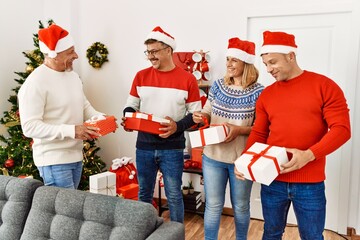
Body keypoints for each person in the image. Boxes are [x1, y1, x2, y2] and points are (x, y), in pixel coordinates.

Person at [235, 30, 351, 240]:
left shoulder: (325, 86)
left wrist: (308, 154)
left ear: (291, 56)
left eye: (273, 62)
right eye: (266, 64)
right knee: (271, 233)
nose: (269, 69)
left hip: (310, 183)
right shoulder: (267, 94)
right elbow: (260, 133)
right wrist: (245, 159)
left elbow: (342, 130)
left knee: (312, 236)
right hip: (272, 178)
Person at [122, 26, 201, 223]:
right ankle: (144, 231)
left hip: (172, 148)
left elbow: (195, 114)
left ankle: (176, 233)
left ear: (168, 50)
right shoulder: (141, 76)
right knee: (144, 194)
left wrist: (177, 126)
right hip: (144, 146)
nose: (150, 56)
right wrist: (128, 118)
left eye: (154, 51)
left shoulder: (188, 79)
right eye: (148, 52)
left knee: (174, 195)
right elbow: (130, 106)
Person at [18, 24, 110, 189]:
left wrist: (102, 118)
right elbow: (29, 127)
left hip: (75, 156)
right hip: (53, 161)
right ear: (54, 55)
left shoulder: (72, 76)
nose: (76, 55)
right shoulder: (35, 83)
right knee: (66, 212)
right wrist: (73, 131)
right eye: (70, 52)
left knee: (69, 210)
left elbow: (84, 106)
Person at [192, 37, 264, 239]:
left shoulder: (259, 92)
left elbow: (261, 128)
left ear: (246, 63)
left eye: (234, 60)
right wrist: (202, 116)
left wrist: (239, 130)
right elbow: (207, 110)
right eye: (228, 59)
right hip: (213, 157)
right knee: (213, 206)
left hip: (241, 160)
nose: (229, 64)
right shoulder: (218, 86)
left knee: (241, 207)